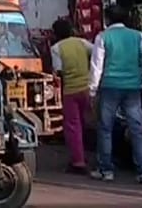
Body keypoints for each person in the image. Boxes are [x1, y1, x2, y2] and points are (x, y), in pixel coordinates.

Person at [88, 5, 142, 185]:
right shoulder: (137, 36)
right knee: (137, 130)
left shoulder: (103, 37)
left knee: (105, 128)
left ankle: (106, 170)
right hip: (133, 87)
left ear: (107, 19)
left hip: (110, 86)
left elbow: (97, 65)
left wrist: (92, 89)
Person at [50, 18, 94, 174]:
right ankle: (86, 156)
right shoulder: (83, 43)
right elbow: (96, 54)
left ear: (56, 33)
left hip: (70, 91)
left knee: (73, 127)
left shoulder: (56, 48)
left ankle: (78, 161)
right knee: (85, 123)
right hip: (87, 89)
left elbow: (58, 71)